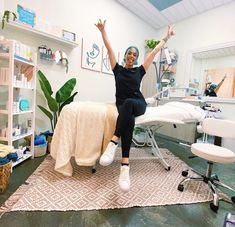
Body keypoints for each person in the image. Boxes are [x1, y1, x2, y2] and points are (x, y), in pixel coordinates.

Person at [95, 19, 175, 192]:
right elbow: (109, 48)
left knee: (130, 104)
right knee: (127, 119)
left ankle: (113, 141)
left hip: (139, 103)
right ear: (125, 55)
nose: (132, 56)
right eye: (129, 53)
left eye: (134, 54)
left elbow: (154, 52)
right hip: (123, 106)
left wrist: (166, 37)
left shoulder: (139, 70)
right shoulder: (117, 69)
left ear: (136, 58)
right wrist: (102, 31)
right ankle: (125, 166)